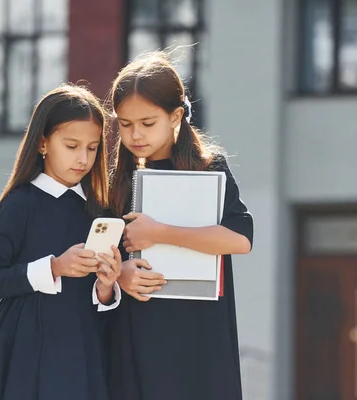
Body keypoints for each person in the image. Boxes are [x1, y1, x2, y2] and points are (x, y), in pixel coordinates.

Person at [0, 84, 122, 400]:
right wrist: (55, 267)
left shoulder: (101, 211)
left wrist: (106, 286)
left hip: (82, 354)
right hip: (26, 355)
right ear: (43, 143)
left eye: (92, 147)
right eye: (71, 145)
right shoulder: (20, 203)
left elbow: (103, 306)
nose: (83, 158)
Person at [106, 52, 254, 400]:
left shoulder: (207, 166)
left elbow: (241, 239)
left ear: (175, 116)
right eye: (125, 124)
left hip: (198, 327)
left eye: (147, 122)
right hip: (137, 326)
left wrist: (160, 233)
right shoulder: (117, 180)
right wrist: (121, 274)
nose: (135, 134)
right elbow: (100, 254)